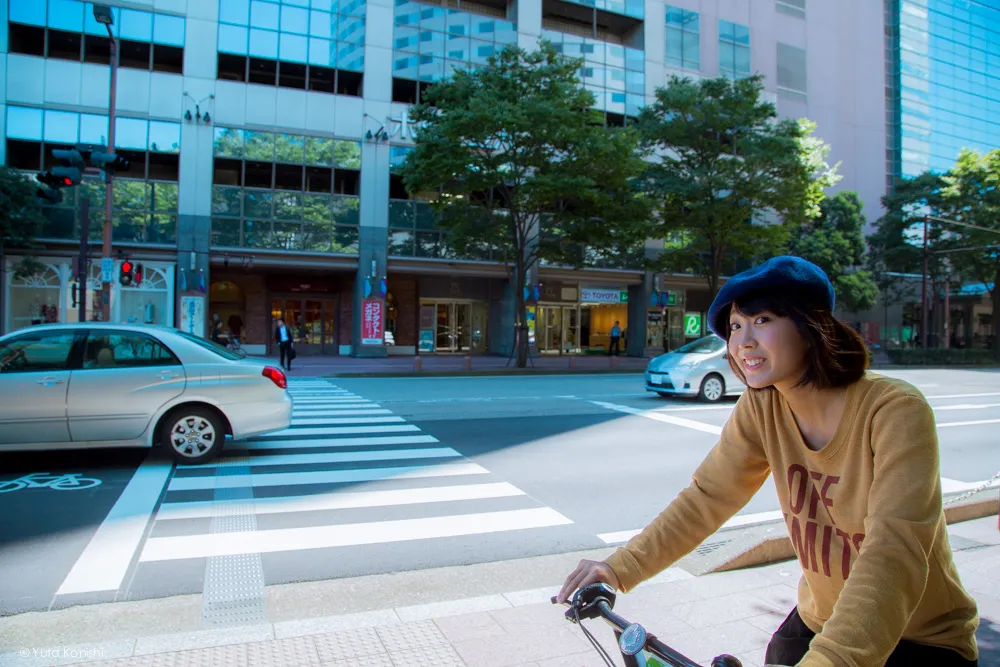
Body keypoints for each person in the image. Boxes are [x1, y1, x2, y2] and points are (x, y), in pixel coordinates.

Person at [556, 256, 979, 666]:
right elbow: (707, 497)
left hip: (917, 635)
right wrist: (617, 567)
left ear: (811, 325)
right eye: (735, 327)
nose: (743, 342)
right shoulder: (762, 406)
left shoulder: (892, 410)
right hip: (817, 621)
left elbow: (893, 551)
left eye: (762, 321)